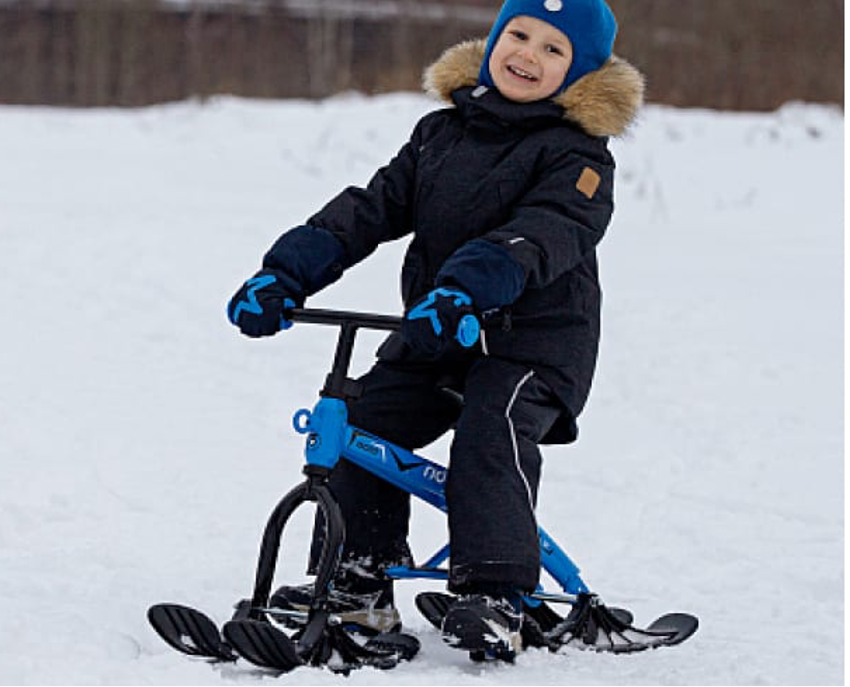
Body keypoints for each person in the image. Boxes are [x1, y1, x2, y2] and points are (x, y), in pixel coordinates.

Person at [227, 0, 643, 660]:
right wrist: (284, 275)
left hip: (529, 343)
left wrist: (467, 287)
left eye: (552, 49)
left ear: (582, 72)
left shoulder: (579, 156)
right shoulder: (438, 135)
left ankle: (496, 593)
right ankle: (358, 582)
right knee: (362, 419)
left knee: (489, 428)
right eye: (518, 34)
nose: (527, 54)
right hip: (438, 331)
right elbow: (366, 210)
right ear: (492, 41)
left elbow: (541, 233)